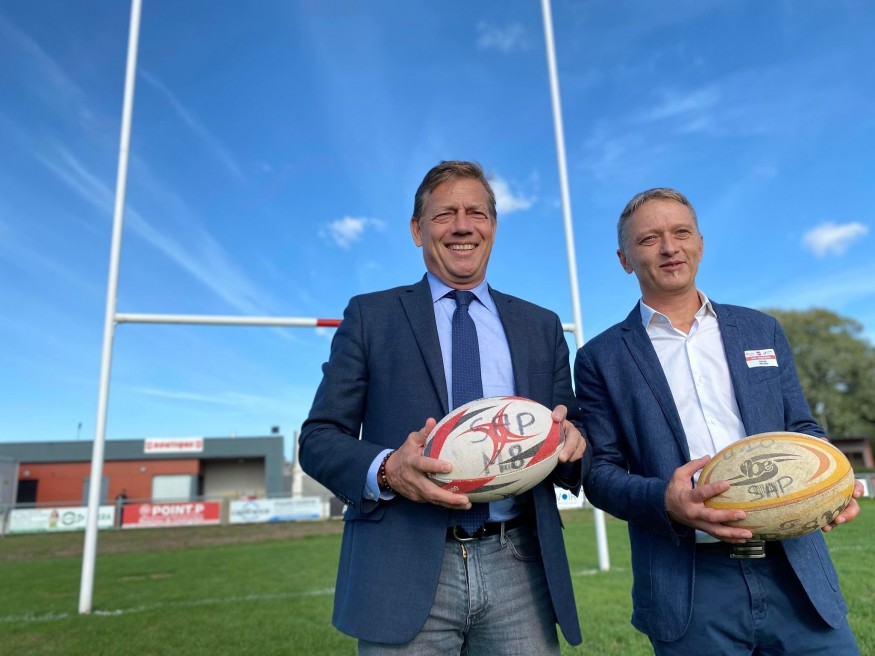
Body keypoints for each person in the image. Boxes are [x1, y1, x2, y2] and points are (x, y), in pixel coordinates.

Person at [299, 160, 588, 655]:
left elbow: (573, 432)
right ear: (417, 230)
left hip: (520, 564)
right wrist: (387, 469)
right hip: (403, 564)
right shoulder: (371, 316)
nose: (462, 226)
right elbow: (318, 438)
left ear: (492, 227)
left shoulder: (541, 326)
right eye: (444, 214)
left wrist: (574, 443)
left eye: (476, 213)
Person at [574, 187, 863, 655]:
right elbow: (600, 474)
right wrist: (666, 501)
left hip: (795, 568)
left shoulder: (760, 329)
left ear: (700, 244)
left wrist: (834, 481)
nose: (669, 248)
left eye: (681, 233)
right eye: (649, 239)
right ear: (625, 259)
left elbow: (803, 430)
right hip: (689, 584)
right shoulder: (600, 357)